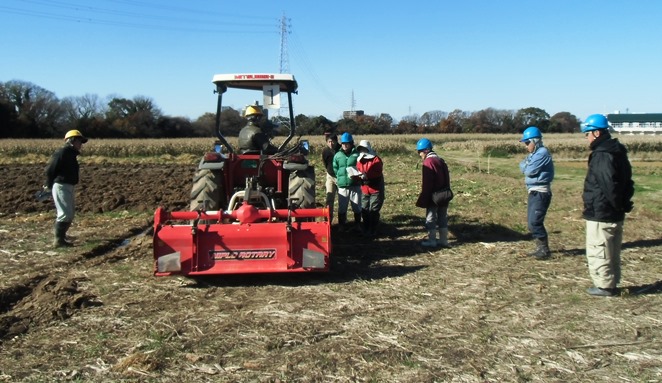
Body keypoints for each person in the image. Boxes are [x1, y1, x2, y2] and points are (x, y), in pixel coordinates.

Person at [581, 114, 635, 297]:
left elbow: (608, 184)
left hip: (602, 211)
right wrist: (624, 203)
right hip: (614, 211)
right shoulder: (618, 151)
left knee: (600, 248)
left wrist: (617, 204)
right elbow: (628, 181)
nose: (586, 138)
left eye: (587, 133)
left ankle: (604, 285)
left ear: (596, 133)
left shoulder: (602, 155)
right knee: (612, 249)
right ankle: (611, 282)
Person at [45, 129, 88, 248]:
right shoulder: (63, 153)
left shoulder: (71, 154)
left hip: (68, 185)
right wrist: (48, 185)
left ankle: (62, 236)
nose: (81, 145)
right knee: (65, 213)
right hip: (61, 185)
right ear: (72, 141)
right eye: (79, 141)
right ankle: (58, 240)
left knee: (69, 213)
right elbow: (50, 169)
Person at [519, 126, 554, 259]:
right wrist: (527, 164)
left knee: (535, 222)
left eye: (528, 143)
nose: (526, 146)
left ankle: (544, 249)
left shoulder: (542, 153)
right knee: (530, 223)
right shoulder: (533, 155)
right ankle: (540, 247)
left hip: (541, 192)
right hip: (533, 191)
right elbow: (521, 165)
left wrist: (527, 165)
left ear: (536, 141)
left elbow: (528, 171)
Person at [415, 138, 451, 247]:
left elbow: (427, 183)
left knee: (430, 218)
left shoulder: (428, 162)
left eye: (419, 152)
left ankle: (432, 241)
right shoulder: (440, 160)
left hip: (433, 195)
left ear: (425, 151)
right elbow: (447, 178)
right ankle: (443, 240)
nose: (419, 154)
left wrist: (424, 197)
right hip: (444, 194)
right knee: (442, 217)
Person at [332, 132, 361, 232]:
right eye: (343, 143)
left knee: (356, 205)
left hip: (354, 185)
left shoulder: (357, 154)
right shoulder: (338, 155)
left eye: (347, 143)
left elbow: (360, 167)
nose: (345, 145)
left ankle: (357, 224)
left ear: (351, 143)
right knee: (342, 207)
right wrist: (340, 178)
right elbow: (335, 168)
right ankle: (341, 225)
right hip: (343, 185)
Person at [356, 140, 385, 237]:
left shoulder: (376, 160)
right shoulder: (360, 160)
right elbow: (358, 169)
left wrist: (367, 176)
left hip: (375, 189)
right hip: (364, 188)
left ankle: (373, 229)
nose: (362, 151)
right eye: (361, 149)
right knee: (364, 209)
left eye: (364, 149)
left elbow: (377, 173)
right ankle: (366, 227)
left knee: (374, 210)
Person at [321, 131, 340, 223]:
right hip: (330, 177)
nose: (331, 143)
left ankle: (342, 222)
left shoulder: (341, 149)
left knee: (342, 200)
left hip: (341, 177)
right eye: (329, 142)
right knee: (329, 199)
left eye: (332, 141)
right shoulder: (325, 151)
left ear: (336, 141)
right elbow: (325, 163)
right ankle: (328, 221)